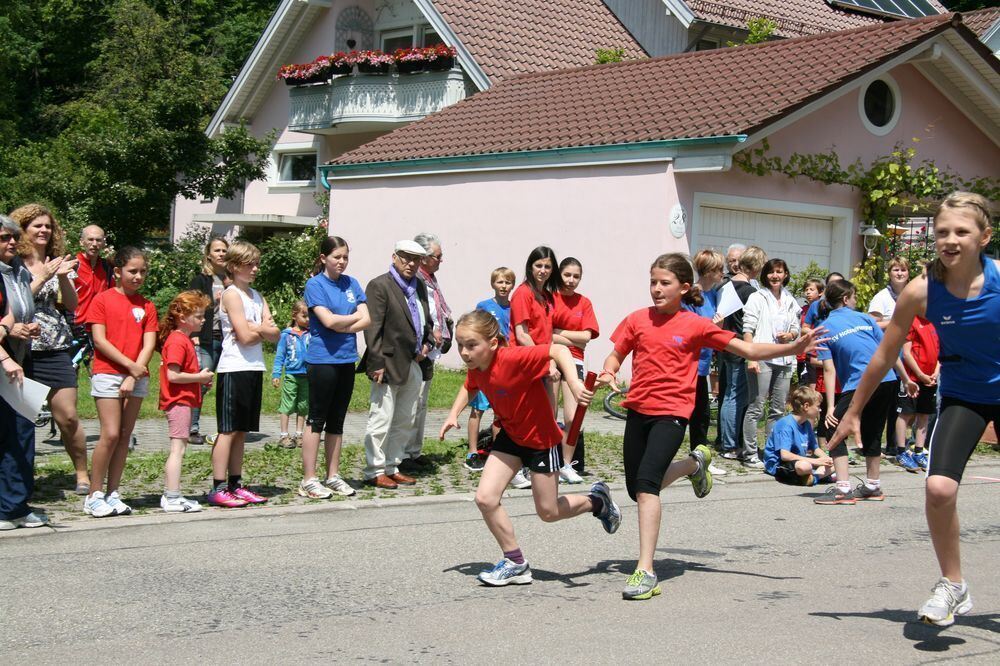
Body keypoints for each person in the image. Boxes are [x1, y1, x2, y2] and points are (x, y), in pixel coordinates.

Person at [597, 253, 822, 600]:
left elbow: (746, 348)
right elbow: (616, 353)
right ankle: (694, 464)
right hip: (638, 409)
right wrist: (610, 371)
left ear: (684, 288)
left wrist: (792, 346)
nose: (656, 289)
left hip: (672, 413)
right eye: (653, 282)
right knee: (635, 487)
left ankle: (645, 570)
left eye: (664, 283)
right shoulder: (637, 319)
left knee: (646, 488)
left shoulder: (695, 325)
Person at [828, 192, 997, 627]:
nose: (951, 239)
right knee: (939, 489)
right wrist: (852, 412)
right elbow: (883, 356)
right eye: (942, 232)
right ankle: (953, 585)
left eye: (962, 231)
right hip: (963, 396)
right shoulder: (922, 292)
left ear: (984, 236)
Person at [439, 309, 620, 587]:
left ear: (493, 343)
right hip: (511, 436)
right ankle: (515, 562)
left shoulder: (513, 358)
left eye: (471, 345)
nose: (464, 352)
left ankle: (598, 501)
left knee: (548, 512)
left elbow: (558, 350)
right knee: (485, 498)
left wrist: (573, 382)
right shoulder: (477, 367)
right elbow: (469, 386)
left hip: (540, 441)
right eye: (461, 345)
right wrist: (453, 414)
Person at [813, 279, 915, 507]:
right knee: (872, 430)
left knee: (832, 428)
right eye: (855, 297)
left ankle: (842, 489)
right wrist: (905, 379)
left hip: (860, 383)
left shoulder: (822, 329)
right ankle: (872, 485)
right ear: (845, 299)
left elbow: (829, 370)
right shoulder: (865, 318)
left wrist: (830, 407)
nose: (856, 300)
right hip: (887, 379)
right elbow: (888, 350)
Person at [11, 204, 89, 494]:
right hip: (20, 346)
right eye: (37, 226)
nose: (44, 231)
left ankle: (82, 474)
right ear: (23, 230)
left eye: (48, 226)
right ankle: (20, 480)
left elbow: (72, 304)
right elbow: (19, 302)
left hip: (55, 345)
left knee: (67, 416)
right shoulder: (13, 262)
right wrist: (42, 276)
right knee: (23, 420)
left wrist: (63, 277)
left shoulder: (57, 261)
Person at [83, 247, 158, 518]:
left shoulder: (147, 305)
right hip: (108, 372)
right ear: (117, 272)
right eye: (132, 271)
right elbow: (100, 341)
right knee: (111, 433)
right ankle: (94, 494)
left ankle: (113, 492)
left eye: (142, 272)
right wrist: (129, 368)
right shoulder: (102, 300)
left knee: (126, 435)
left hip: (135, 375)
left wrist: (133, 373)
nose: (138, 276)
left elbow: (149, 343)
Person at [208, 240, 280, 508]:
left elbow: (275, 334)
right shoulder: (231, 294)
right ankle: (218, 486)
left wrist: (258, 328)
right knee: (227, 430)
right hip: (233, 367)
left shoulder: (257, 295)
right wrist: (258, 328)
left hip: (253, 367)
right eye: (250, 264)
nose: (255, 269)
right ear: (235, 266)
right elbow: (245, 336)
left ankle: (236, 483)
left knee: (242, 431)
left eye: (257, 264)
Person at [358, 240, 433, 490]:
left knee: (405, 417)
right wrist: (376, 362)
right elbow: (373, 327)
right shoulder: (380, 285)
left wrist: (427, 342)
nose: (411, 263)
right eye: (405, 258)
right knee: (381, 418)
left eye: (416, 259)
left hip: (413, 360)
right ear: (394, 257)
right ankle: (375, 469)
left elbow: (425, 319)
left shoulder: (419, 285)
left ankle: (392, 465)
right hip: (387, 362)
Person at [300, 236, 369, 499]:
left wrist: (342, 322)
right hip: (322, 360)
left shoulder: (352, 283)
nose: (341, 262)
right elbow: (327, 321)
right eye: (336, 257)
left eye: (345, 257)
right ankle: (309, 479)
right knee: (317, 418)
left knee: (337, 420)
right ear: (323, 259)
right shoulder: (315, 285)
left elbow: (369, 318)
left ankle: (333, 475)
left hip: (346, 359)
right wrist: (351, 319)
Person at [0, 215, 46, 530]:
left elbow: (14, 314)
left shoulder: (17, 270)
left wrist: (26, 326)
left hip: (19, 361)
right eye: (4, 237)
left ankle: (16, 505)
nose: (12, 243)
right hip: (6, 362)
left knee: (21, 433)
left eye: (14, 237)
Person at [741, 258, 801, 469]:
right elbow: (747, 329)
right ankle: (749, 453)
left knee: (777, 409)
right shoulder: (758, 297)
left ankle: (771, 452)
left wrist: (791, 334)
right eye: (771, 272)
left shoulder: (790, 299)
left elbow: (796, 327)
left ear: (785, 275)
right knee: (756, 407)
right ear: (765, 275)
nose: (775, 276)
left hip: (783, 359)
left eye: (779, 272)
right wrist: (751, 357)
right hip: (762, 358)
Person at [508, 246, 561, 489]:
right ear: (530, 267)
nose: (542, 270)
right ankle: (514, 469)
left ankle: (533, 466)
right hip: (525, 362)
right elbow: (522, 334)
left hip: (541, 361)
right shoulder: (523, 293)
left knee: (545, 417)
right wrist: (547, 359)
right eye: (538, 265)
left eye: (547, 266)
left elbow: (547, 333)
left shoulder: (547, 296)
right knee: (523, 418)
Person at [157, 290, 213, 513]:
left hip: (184, 399)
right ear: (183, 317)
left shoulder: (183, 339)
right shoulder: (178, 341)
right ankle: (172, 496)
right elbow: (173, 375)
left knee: (179, 448)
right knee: (177, 449)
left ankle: (173, 494)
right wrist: (199, 377)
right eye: (198, 316)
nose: (203, 320)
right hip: (178, 401)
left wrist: (199, 381)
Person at [551, 257, 599, 484]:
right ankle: (546, 463)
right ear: (559, 274)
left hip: (576, 362)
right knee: (549, 416)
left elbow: (586, 337)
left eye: (576, 276)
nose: (571, 280)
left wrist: (558, 332)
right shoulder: (549, 298)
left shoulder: (584, 302)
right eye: (567, 275)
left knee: (572, 417)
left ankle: (566, 465)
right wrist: (572, 338)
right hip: (550, 359)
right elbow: (544, 334)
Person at [719, 245, 766, 462]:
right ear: (756, 266)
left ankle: (727, 440)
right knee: (735, 396)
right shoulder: (750, 292)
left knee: (729, 394)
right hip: (741, 346)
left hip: (726, 344)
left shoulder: (726, 286)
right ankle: (730, 445)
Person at [406, 233, 448, 472]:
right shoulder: (416, 280)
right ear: (424, 257)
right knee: (412, 402)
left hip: (431, 348)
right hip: (420, 347)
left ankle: (414, 450)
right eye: (437, 257)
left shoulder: (430, 279)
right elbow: (419, 315)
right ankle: (403, 453)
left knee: (422, 402)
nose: (441, 261)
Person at [465, 267, 514, 472]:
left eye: (507, 282)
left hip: (504, 365)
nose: (503, 286)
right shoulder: (484, 306)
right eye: (500, 282)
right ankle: (473, 450)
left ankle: (497, 451)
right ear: (493, 284)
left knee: (500, 412)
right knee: (478, 408)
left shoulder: (515, 308)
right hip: (485, 365)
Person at [186, 235, 229, 445]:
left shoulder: (232, 279)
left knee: (226, 384)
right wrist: (192, 335)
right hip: (206, 339)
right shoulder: (201, 280)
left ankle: (226, 429)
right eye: (217, 250)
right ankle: (191, 428)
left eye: (224, 250)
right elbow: (191, 307)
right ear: (209, 255)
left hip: (228, 339)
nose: (221, 254)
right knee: (202, 382)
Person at [686, 250, 725, 476]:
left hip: (703, 364)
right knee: (690, 416)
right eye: (719, 269)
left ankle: (700, 460)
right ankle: (696, 462)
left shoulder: (714, 295)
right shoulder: (692, 295)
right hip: (689, 365)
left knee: (701, 417)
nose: (723, 273)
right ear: (709, 271)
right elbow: (689, 329)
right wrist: (713, 328)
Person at [763, 385, 834, 487]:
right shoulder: (786, 424)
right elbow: (785, 455)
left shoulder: (806, 424)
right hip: (779, 464)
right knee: (805, 466)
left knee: (835, 461)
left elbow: (814, 448)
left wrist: (826, 459)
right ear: (806, 406)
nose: (820, 410)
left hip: (799, 460)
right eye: (818, 406)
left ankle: (811, 478)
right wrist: (816, 461)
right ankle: (817, 477)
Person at [895, 314, 939, 472]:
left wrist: (935, 372)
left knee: (924, 414)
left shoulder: (936, 321)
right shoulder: (911, 321)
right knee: (905, 414)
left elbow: (940, 351)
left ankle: (919, 451)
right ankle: (900, 451)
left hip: (930, 379)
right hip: (912, 379)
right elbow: (906, 354)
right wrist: (920, 374)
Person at [272, 300, 310, 449]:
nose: (308, 320)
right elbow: (280, 356)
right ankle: (283, 435)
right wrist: (276, 374)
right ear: (294, 316)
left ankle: (299, 434)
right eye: (304, 316)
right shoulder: (286, 335)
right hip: (291, 375)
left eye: (310, 316)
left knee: (303, 406)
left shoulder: (311, 334)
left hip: (307, 376)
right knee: (287, 405)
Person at [72, 224, 113, 331]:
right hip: (76, 327)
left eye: (98, 240)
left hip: (100, 326)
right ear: (82, 242)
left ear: (104, 243)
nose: (94, 244)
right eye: (90, 239)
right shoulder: (73, 265)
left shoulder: (107, 267)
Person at [868, 256, 911, 330]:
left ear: (908, 273)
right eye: (896, 270)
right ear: (889, 273)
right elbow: (871, 325)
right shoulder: (881, 297)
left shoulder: (915, 295)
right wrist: (895, 323)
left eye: (903, 270)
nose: (900, 273)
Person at [797, 278, 825, 388]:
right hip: (801, 353)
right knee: (803, 386)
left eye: (812, 289)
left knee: (814, 385)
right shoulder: (802, 309)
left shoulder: (823, 309)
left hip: (815, 352)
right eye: (806, 289)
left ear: (821, 292)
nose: (808, 292)